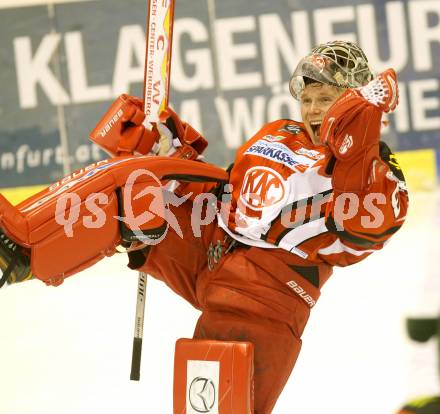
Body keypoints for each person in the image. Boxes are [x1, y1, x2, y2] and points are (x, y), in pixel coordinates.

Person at [0, 40, 409, 413]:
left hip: (263, 291)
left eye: (327, 99)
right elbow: (225, 189)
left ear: (354, 99)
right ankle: (21, 252)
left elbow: (362, 229)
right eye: (308, 98)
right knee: (136, 189)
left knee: (215, 400)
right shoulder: (278, 133)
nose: (314, 109)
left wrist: (361, 119)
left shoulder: (375, 170)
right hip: (209, 246)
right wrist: (168, 152)